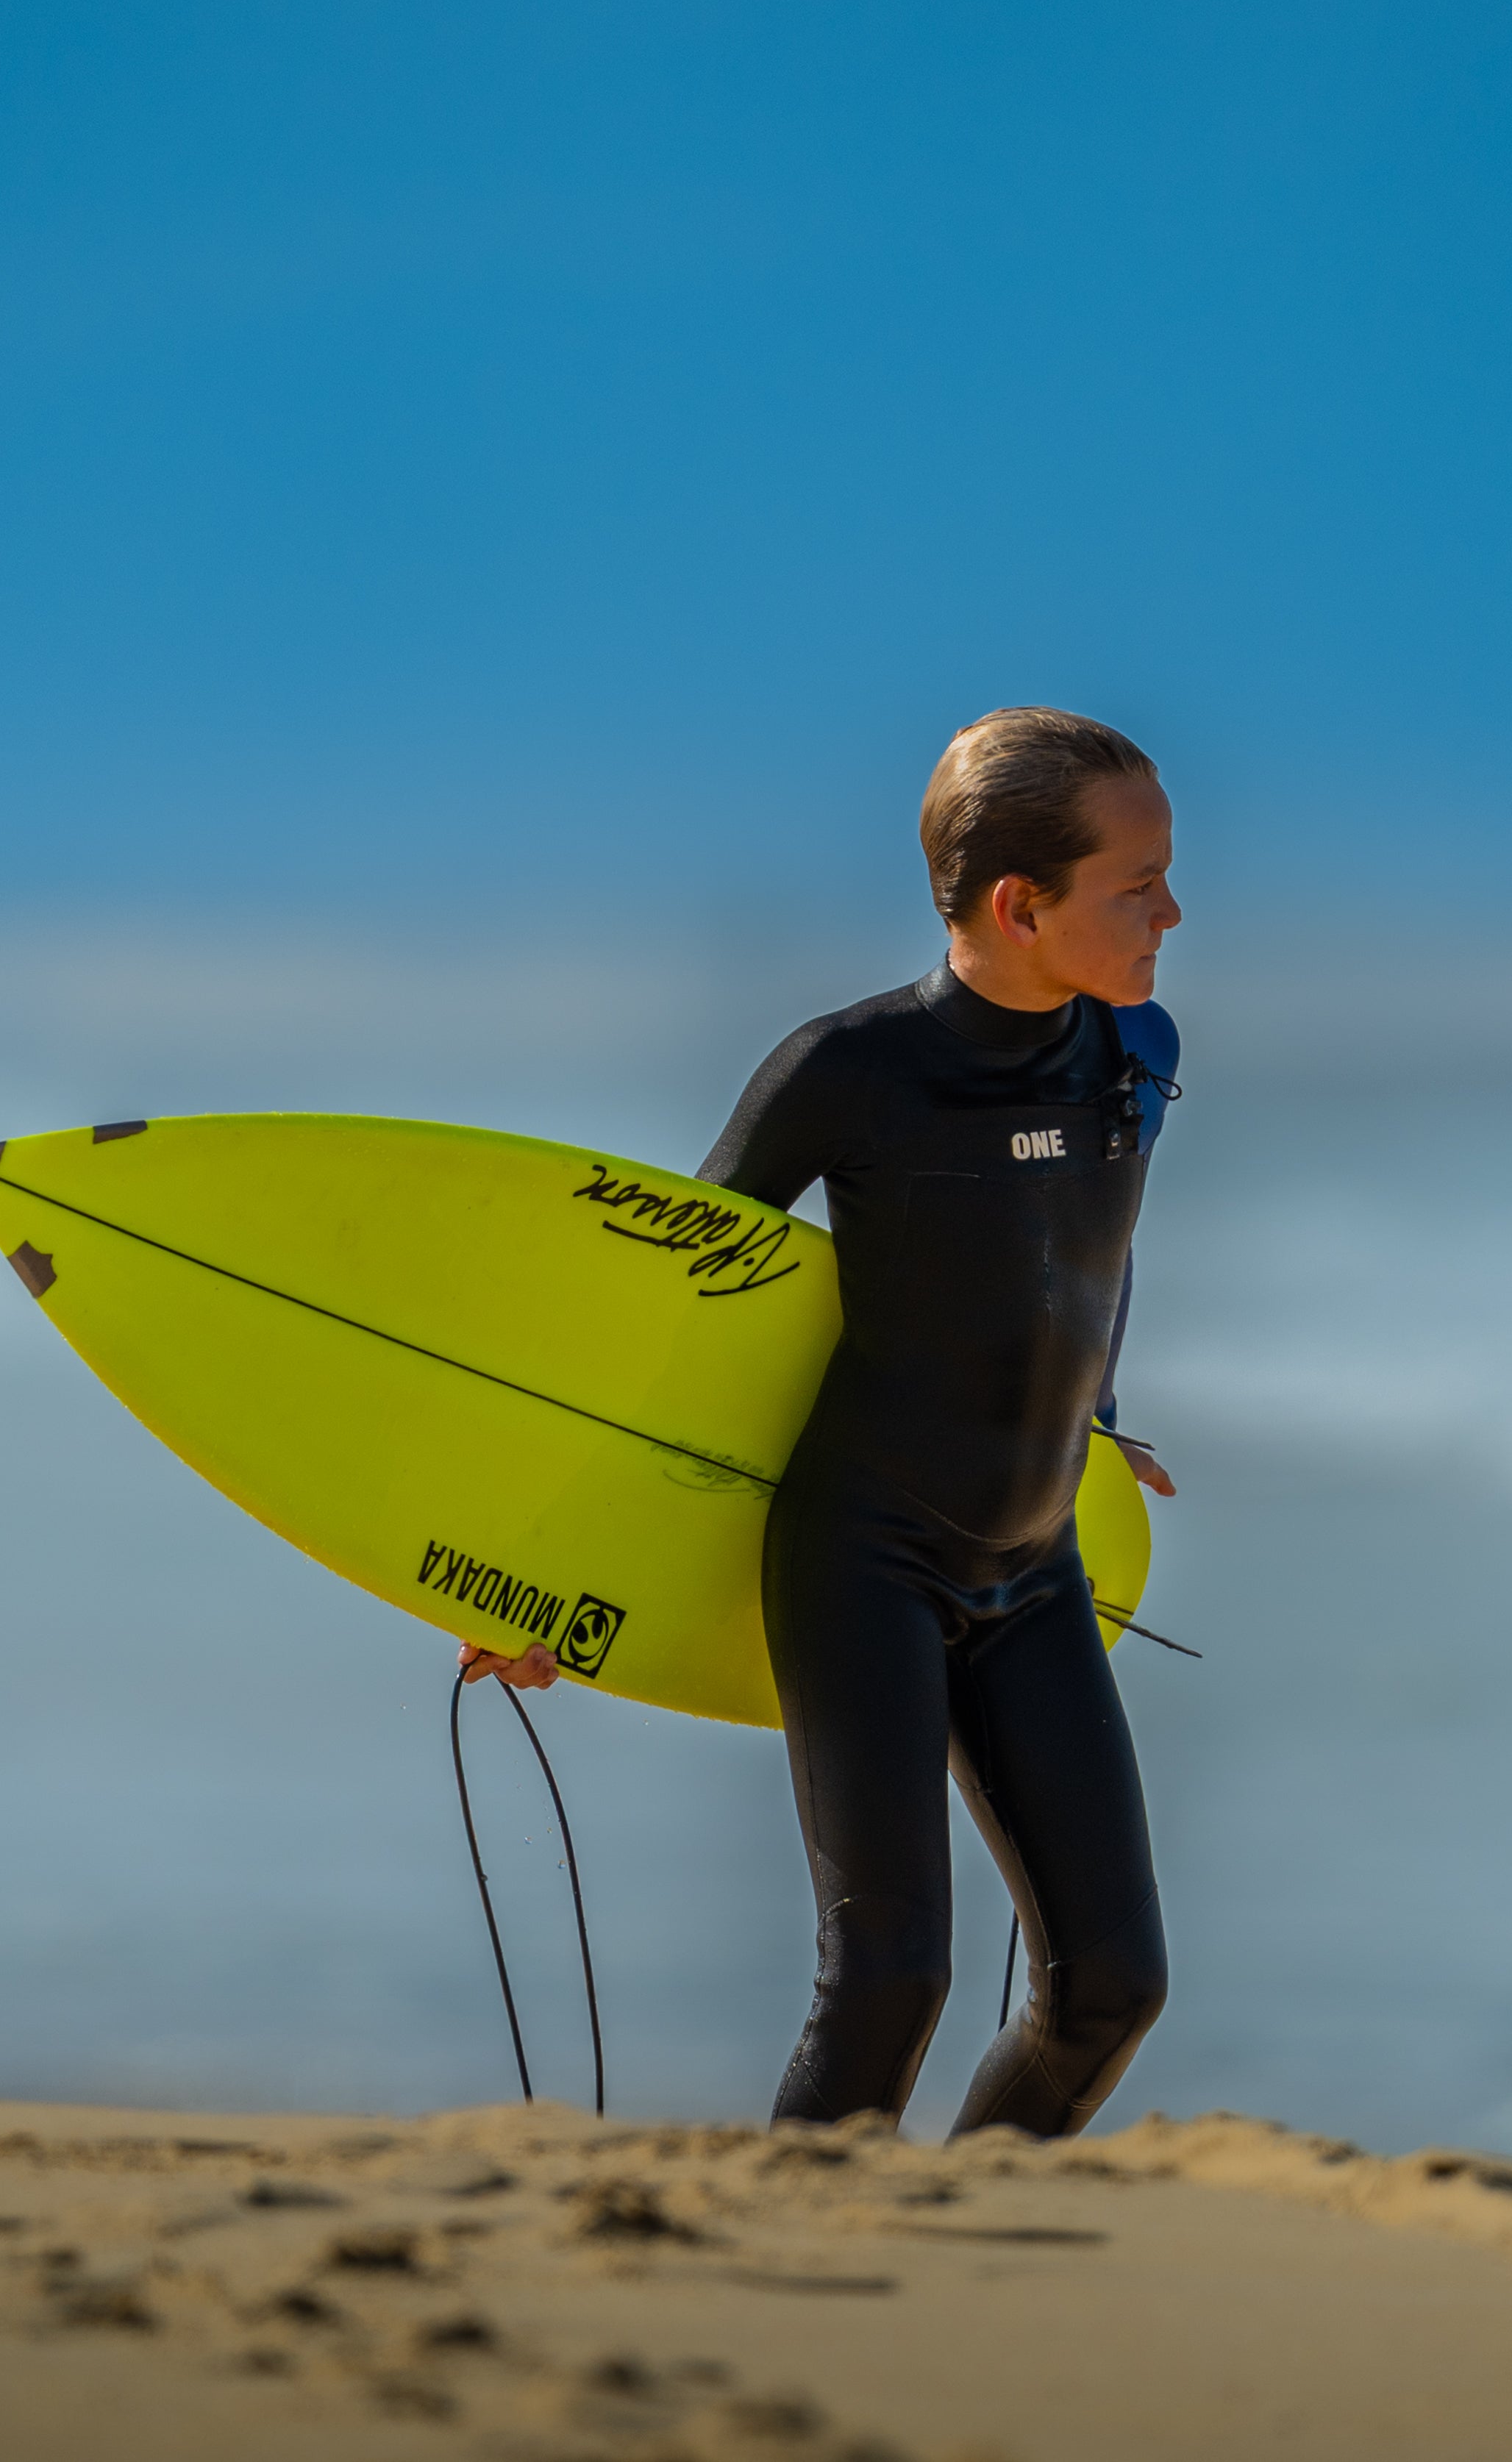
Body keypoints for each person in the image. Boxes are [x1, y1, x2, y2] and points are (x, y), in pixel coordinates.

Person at [466, 707, 1184, 2137]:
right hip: (868, 1561)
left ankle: (961, 2243)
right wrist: (550, 1573)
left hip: (1030, 1563)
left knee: (1109, 1986)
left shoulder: (1134, 1050)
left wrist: (1095, 1407)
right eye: (1136, 884)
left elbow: (1087, 1247)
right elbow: (678, 1341)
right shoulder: (847, 1074)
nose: (1171, 909)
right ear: (1016, 905)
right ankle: (779, 2253)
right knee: (889, 1975)